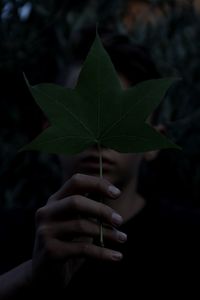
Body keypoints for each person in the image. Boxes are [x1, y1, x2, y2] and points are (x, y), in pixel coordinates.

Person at [0, 27, 199, 299]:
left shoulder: (188, 238)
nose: (98, 140)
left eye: (119, 120)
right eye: (83, 118)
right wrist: (29, 275)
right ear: (49, 132)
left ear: (153, 141)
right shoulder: (10, 233)